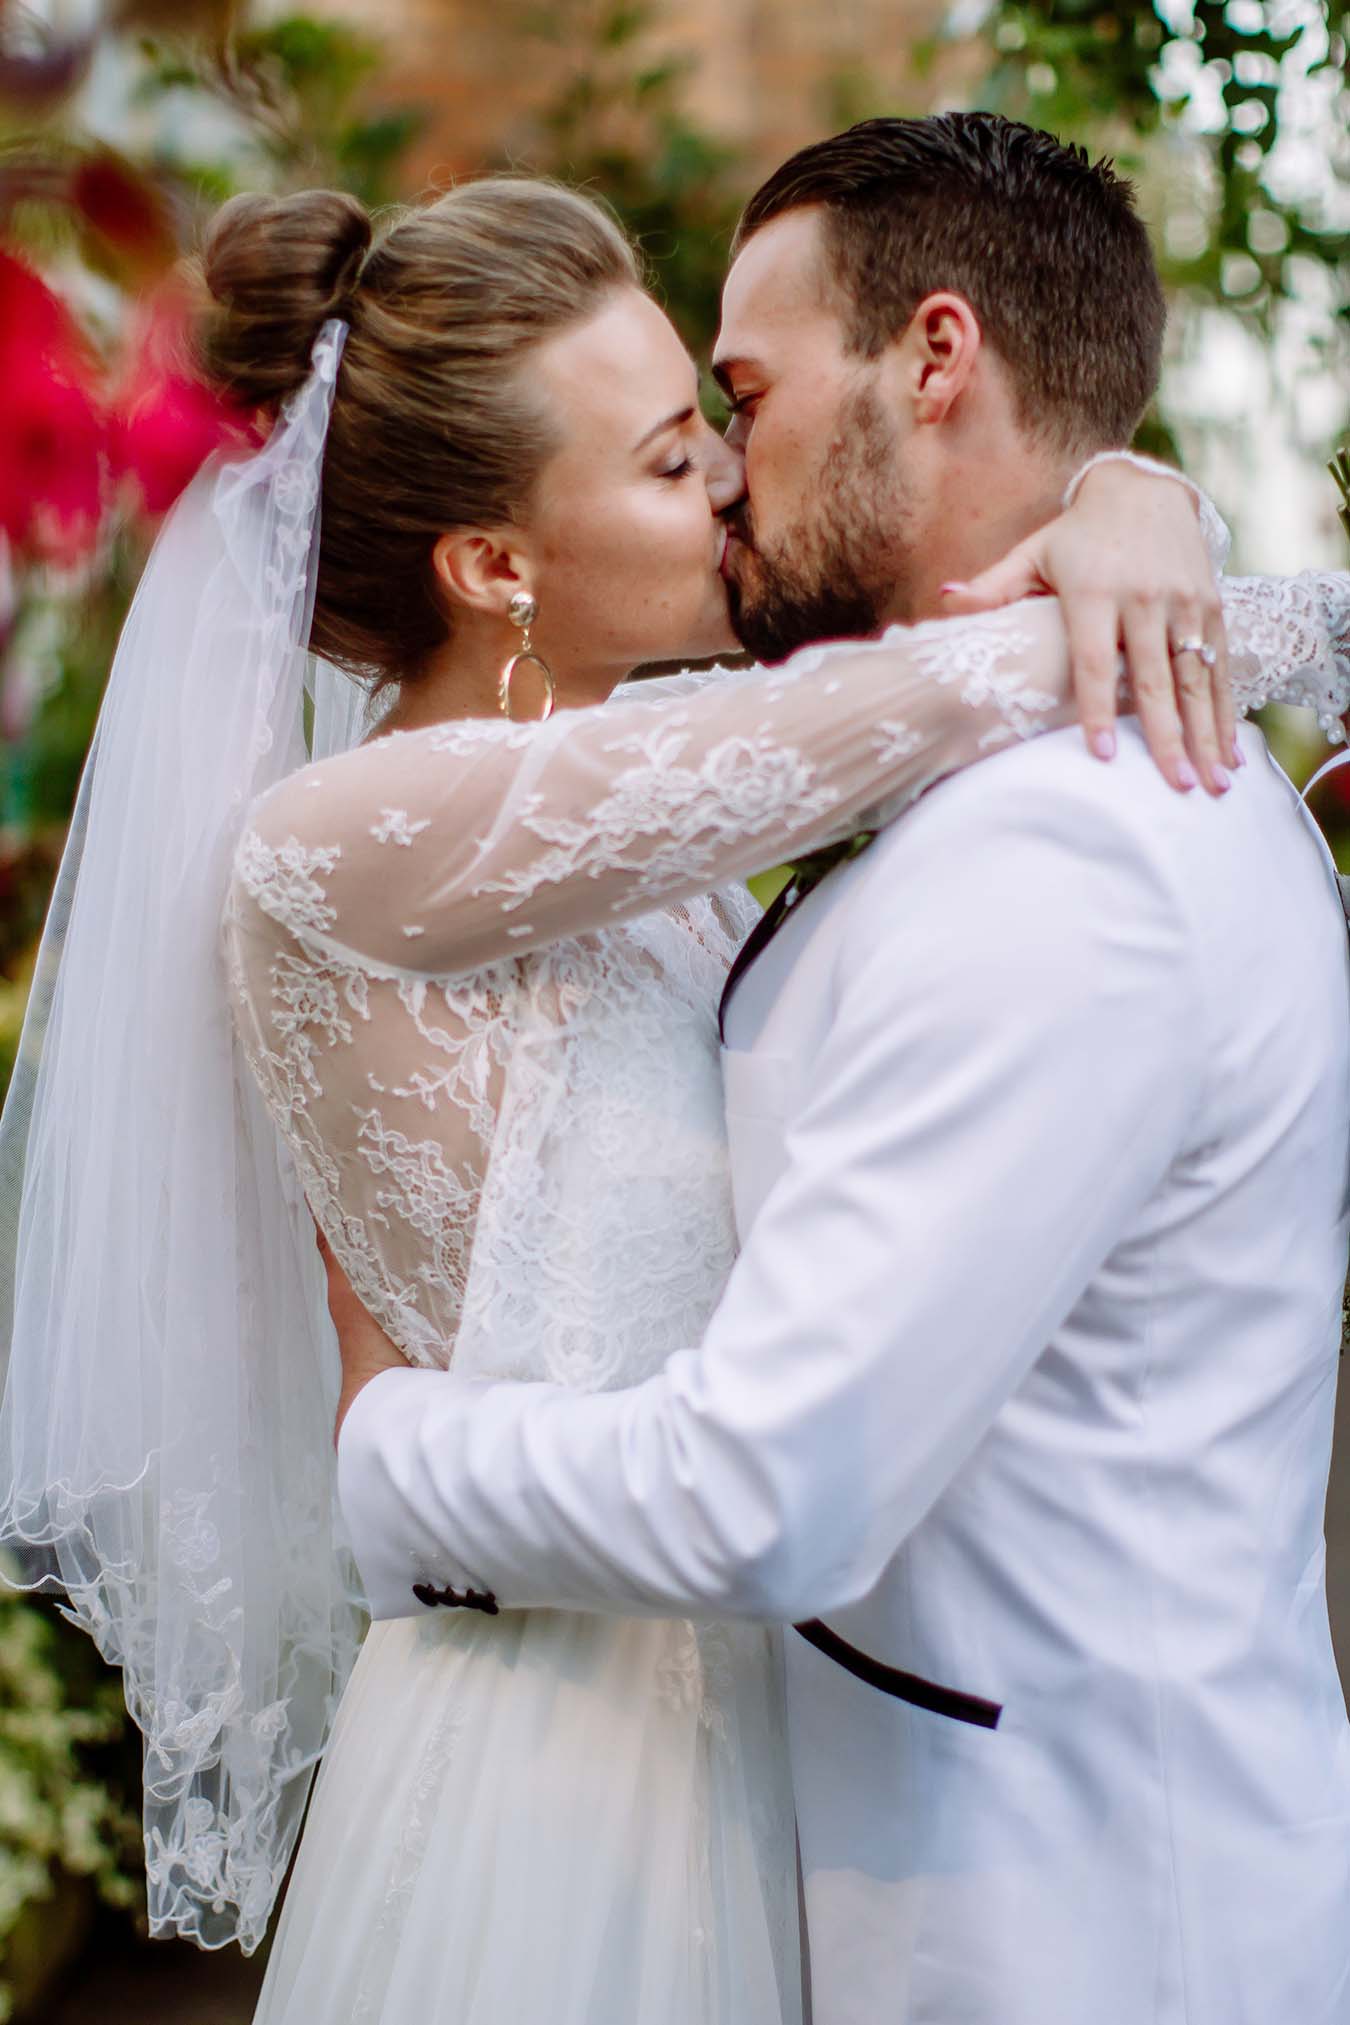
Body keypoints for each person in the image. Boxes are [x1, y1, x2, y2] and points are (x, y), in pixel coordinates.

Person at [0, 126, 1340, 2023]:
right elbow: (924, 686)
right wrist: (1120, 552)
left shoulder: (665, 810)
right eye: (664, 453)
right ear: (493, 562)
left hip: (775, 1759)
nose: (724, 474)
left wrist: (1128, 493)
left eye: (719, 416)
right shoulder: (336, 840)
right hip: (558, 1772)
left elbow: (872, 695)